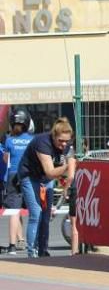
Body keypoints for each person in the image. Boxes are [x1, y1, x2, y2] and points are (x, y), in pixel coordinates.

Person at [18, 118, 76, 258]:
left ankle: (43, 250)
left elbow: (69, 167)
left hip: (46, 178)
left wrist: (68, 181)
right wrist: (68, 167)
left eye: (66, 141)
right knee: (36, 212)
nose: (63, 144)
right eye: (60, 140)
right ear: (53, 136)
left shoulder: (67, 146)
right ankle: (32, 252)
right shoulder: (42, 143)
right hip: (29, 176)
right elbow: (50, 171)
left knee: (46, 214)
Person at [2, 110, 32, 254]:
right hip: (28, 174)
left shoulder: (9, 140)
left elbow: (6, 160)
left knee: (14, 210)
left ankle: (12, 245)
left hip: (13, 176)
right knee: (34, 209)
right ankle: (34, 243)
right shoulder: (32, 139)